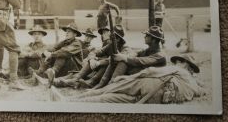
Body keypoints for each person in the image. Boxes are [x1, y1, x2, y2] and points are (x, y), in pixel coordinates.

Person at [53, 54, 205, 104]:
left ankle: (73, 101)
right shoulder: (194, 87)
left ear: (186, 65)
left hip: (148, 85)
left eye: (179, 61)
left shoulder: (179, 70)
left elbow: (151, 70)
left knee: (109, 89)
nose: (176, 63)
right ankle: (75, 102)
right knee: (111, 98)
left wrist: (128, 78)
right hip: (154, 99)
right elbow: (201, 91)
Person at [93, 26, 167, 89]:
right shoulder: (150, 49)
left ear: (154, 40)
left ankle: (110, 85)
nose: (145, 37)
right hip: (142, 74)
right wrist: (124, 56)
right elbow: (136, 52)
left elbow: (142, 61)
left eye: (147, 36)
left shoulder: (160, 55)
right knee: (119, 60)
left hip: (150, 78)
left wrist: (124, 58)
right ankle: (103, 84)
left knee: (123, 61)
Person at [35, 23, 83, 87]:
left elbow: (65, 52)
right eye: (66, 31)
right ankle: (41, 72)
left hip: (74, 69)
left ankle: (53, 71)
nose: (66, 33)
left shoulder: (77, 43)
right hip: (65, 67)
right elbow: (54, 48)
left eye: (69, 32)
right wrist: (45, 52)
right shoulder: (64, 42)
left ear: (75, 34)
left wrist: (51, 55)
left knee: (61, 54)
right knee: (52, 54)